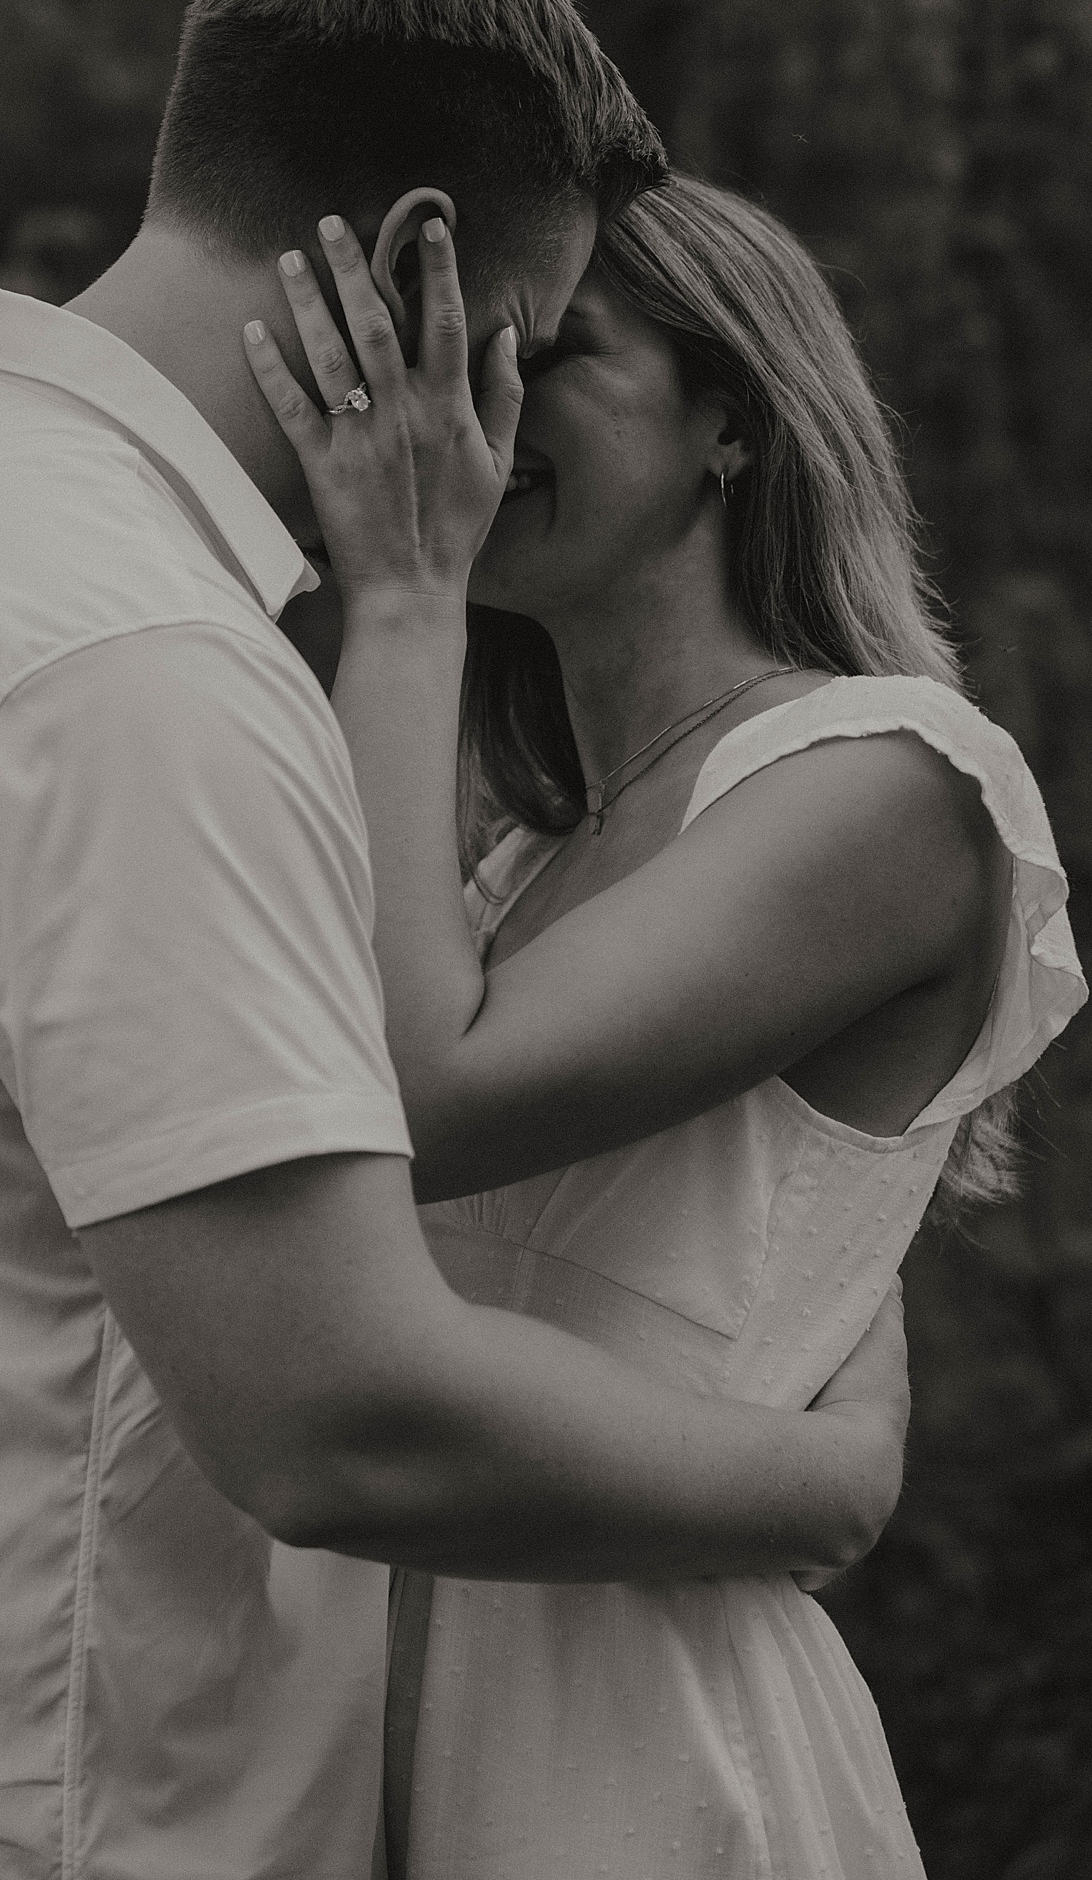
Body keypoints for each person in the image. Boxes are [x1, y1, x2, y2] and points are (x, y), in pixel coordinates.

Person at [0, 0, 914, 1880]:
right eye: (524, 326)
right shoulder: (130, 661)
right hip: (49, 1813)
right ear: (414, 260)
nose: (494, 409)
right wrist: (816, 1476)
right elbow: (335, 1416)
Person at [243, 170, 1083, 1874]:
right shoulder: (515, 867)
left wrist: (401, 594)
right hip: (364, 1710)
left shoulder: (886, 781)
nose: (476, 414)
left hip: (638, 1743)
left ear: (731, 419)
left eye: (550, 357)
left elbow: (399, 1091)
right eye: (460, 363)